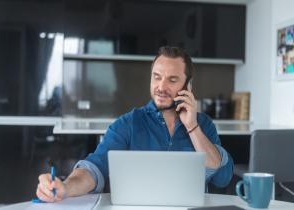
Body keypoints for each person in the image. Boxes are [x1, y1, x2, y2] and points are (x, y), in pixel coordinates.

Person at [36, 46, 234, 202]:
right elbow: (94, 168)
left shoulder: (204, 125)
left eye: (172, 80)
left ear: (187, 86)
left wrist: (192, 126)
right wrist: (65, 187)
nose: (161, 87)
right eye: (157, 77)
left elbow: (222, 177)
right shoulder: (128, 123)